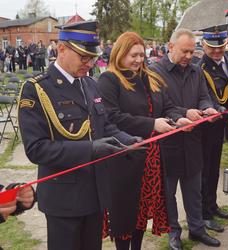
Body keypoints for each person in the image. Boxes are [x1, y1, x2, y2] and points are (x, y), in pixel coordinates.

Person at [18, 21, 140, 250]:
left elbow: (103, 126)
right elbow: (37, 149)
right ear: (62, 49)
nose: (90, 63)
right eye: (84, 57)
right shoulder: (37, 90)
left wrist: (126, 139)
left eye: (92, 57)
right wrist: (92, 149)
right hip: (64, 198)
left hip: (95, 194)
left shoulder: (90, 84)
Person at [97, 31, 192, 250]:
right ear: (120, 54)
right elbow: (112, 117)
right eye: (133, 55)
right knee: (125, 213)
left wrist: (181, 118)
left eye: (141, 55)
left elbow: (167, 106)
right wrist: (151, 125)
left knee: (142, 211)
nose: (139, 60)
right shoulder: (109, 80)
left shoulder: (151, 77)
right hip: (124, 156)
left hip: (151, 157)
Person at [150, 28, 220, 249]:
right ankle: (173, 232)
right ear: (171, 47)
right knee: (168, 194)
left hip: (192, 141)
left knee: (194, 191)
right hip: (167, 144)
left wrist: (207, 109)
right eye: (185, 51)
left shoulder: (196, 71)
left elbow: (203, 97)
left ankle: (197, 229)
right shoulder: (155, 71)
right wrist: (184, 113)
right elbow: (158, 107)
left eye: (193, 52)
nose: (189, 56)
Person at [200, 25, 228, 233]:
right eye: (212, 47)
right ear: (204, 45)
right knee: (205, 170)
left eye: (220, 47)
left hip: (221, 123)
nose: (217, 51)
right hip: (208, 124)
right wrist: (216, 108)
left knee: (214, 168)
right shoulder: (201, 68)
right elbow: (204, 94)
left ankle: (212, 205)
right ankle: (204, 213)